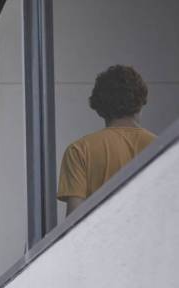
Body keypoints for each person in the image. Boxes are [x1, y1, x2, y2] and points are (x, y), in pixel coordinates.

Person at [58, 65, 157, 215]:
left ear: (99, 106)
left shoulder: (79, 150)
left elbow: (74, 220)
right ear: (141, 103)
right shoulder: (161, 148)